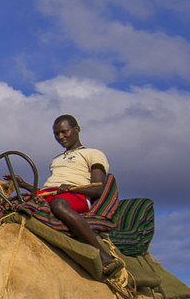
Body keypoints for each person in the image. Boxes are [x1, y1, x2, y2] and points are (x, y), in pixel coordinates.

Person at [28, 114, 121, 276]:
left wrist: (72, 189)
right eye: (56, 134)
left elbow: (97, 189)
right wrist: (24, 185)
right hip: (51, 195)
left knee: (58, 204)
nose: (60, 137)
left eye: (64, 132)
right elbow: (47, 190)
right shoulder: (56, 160)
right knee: (11, 207)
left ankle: (104, 255)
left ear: (76, 130)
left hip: (76, 196)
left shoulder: (93, 153)